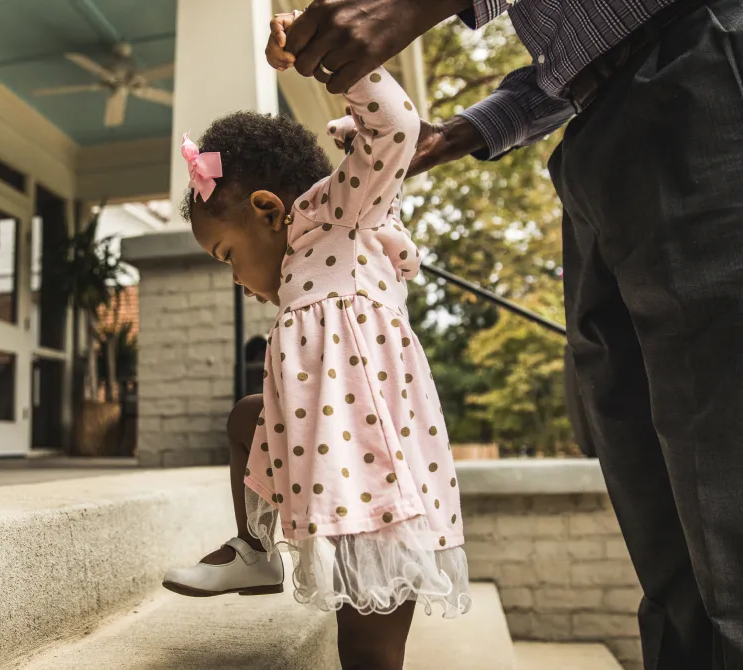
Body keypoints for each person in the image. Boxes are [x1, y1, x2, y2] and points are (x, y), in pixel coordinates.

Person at [280, 1, 743, 668]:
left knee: (725, 483)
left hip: (699, 68)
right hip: (597, 123)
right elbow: (574, 51)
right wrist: (463, 132)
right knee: (661, 511)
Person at [161, 18, 470, 670]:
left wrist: (324, 61)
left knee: (366, 646)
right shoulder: (300, 267)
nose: (238, 281)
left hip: (376, 479)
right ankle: (257, 551)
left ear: (270, 212)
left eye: (227, 257)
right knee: (247, 418)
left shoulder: (342, 214)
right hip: (328, 446)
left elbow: (394, 128)